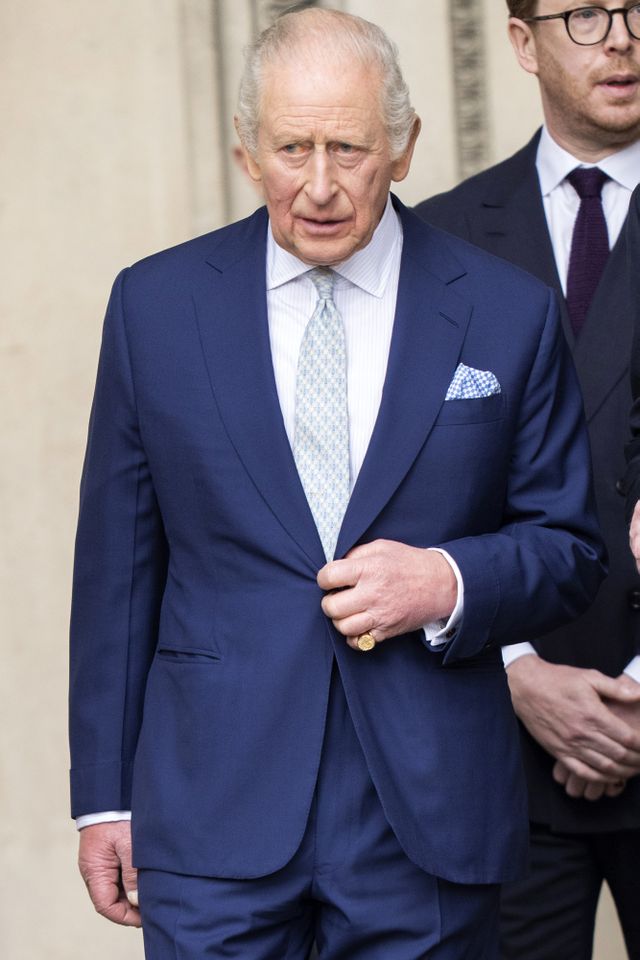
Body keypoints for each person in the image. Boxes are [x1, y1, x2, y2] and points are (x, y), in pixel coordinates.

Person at [69, 8, 607, 959]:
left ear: (403, 149)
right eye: (292, 148)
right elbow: (118, 576)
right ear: (247, 151)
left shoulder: (506, 311)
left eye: (349, 149)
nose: (318, 185)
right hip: (210, 814)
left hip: (426, 816)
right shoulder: (153, 307)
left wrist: (446, 581)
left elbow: (568, 548)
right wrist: (104, 799)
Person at [416, 3, 640, 958]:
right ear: (521, 42)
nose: (623, 39)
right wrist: (519, 676)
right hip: (500, 755)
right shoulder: (437, 240)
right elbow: (405, 494)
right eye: (585, 15)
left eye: (638, 9)